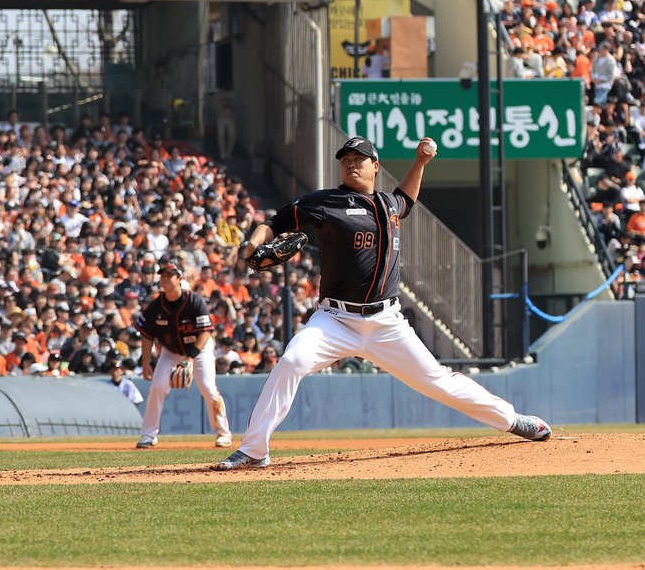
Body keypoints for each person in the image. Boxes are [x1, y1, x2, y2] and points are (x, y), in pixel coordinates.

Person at [215, 136, 550, 470]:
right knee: (291, 362)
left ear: (375, 166)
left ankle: (513, 420)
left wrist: (419, 162)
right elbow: (275, 222)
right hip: (335, 319)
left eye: (358, 158)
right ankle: (255, 449)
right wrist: (252, 245)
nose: (350, 163)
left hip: (387, 323)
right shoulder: (326, 202)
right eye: (345, 158)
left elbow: (407, 198)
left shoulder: (390, 204)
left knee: (439, 381)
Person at [135, 260, 232, 449]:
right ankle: (148, 435)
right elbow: (146, 335)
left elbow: (205, 332)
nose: (165, 279)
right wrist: (146, 362)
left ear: (179, 279)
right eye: (162, 275)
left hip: (199, 350)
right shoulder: (156, 305)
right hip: (171, 352)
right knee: (157, 386)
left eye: (169, 275)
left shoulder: (193, 300)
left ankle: (223, 433)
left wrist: (189, 358)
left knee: (208, 387)